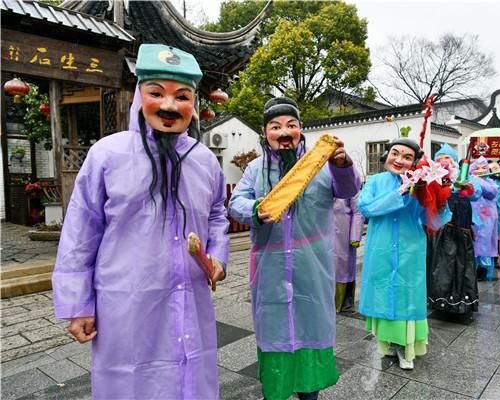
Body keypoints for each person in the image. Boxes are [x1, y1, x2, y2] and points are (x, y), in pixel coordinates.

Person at [52, 44, 229, 399]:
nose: (168, 106)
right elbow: (80, 230)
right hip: (125, 306)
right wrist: (78, 305)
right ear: (139, 96)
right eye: (156, 93)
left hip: (190, 300)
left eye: (182, 96)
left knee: (188, 380)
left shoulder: (204, 160)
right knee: (130, 384)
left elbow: (216, 214)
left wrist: (218, 258)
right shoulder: (108, 154)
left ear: (193, 104)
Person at [228, 96, 360, 400]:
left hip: (312, 266)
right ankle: (274, 392)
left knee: (310, 329)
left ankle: (309, 395)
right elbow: (236, 204)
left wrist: (343, 164)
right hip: (269, 266)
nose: (283, 131)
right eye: (275, 126)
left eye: (291, 125)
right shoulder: (255, 168)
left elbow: (349, 190)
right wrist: (256, 209)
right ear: (265, 133)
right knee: (274, 332)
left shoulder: (322, 165)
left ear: (301, 130)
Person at [358, 137, 451, 370]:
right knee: (382, 292)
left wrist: (437, 198)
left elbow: (433, 220)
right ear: (386, 155)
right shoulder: (375, 181)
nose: (399, 160)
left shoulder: (422, 185)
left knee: (407, 296)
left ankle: (406, 347)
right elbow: (366, 208)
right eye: (395, 153)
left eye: (407, 157)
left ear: (414, 162)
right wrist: (401, 192)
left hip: (410, 249)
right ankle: (387, 342)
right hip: (380, 248)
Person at [427, 144, 481, 314]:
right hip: (441, 228)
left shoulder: (463, 176)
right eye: (439, 158)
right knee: (440, 262)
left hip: (461, 227)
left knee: (461, 261)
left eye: (447, 158)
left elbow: (477, 192)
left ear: (455, 161)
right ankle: (439, 299)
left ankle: (461, 300)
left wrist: (467, 187)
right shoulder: (433, 177)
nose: (443, 161)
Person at [469, 157, 499, 281]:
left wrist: (479, 181)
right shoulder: (467, 180)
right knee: (474, 240)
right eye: (477, 168)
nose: (480, 170)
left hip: (488, 217)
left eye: (483, 168)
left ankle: (485, 269)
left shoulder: (491, 182)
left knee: (486, 241)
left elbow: (492, 193)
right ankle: (473, 270)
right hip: (472, 214)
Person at [333, 194, 364, 313]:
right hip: (323, 232)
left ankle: (342, 303)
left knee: (343, 266)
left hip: (344, 233)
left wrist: (355, 235)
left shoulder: (349, 180)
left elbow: (358, 211)